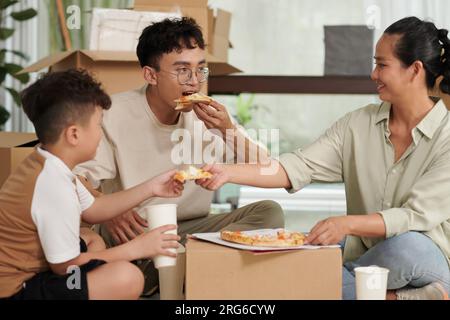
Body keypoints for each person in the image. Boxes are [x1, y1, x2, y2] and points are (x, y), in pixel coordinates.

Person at [195, 17, 450, 300]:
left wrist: (346, 224)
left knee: (406, 246)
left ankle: (331, 285)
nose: (373, 74)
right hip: (365, 255)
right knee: (297, 255)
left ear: (414, 70)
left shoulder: (447, 137)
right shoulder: (357, 124)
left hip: (425, 257)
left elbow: (413, 216)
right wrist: (228, 172)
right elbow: (295, 167)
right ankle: (399, 297)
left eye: (382, 65)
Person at [74, 17, 284, 296]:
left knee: (269, 211)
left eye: (200, 70)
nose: (194, 81)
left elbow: (268, 168)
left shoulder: (210, 118)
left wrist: (228, 129)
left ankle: (174, 272)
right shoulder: (113, 113)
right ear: (151, 75)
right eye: (182, 70)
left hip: (191, 229)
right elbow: (74, 180)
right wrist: (107, 210)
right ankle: (188, 273)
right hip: (134, 231)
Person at [0, 70, 184, 300]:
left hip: (35, 268)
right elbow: (67, 268)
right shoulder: (53, 186)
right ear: (74, 135)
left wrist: (152, 187)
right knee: (128, 277)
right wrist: (137, 249)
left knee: (92, 239)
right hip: (16, 289)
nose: (100, 133)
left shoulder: (49, 163)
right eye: (99, 125)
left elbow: (95, 209)